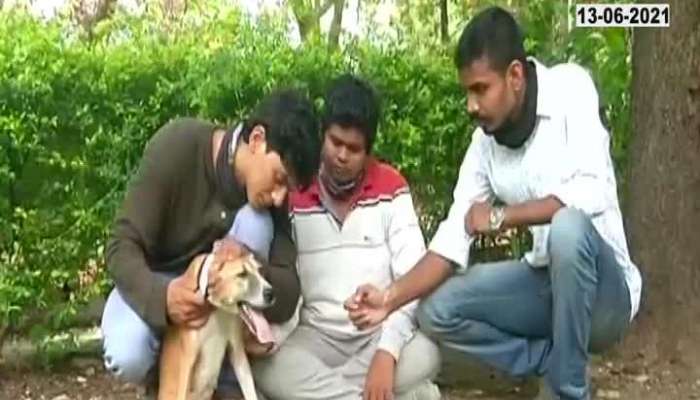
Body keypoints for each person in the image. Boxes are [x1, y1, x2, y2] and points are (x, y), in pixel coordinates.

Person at [344, 7, 642, 400]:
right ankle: (550, 362)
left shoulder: (571, 89)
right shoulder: (485, 144)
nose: (470, 105)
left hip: (605, 297)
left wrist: (503, 216)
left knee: (568, 229)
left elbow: (592, 194)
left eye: (480, 89)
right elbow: (454, 235)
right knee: (436, 309)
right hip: (544, 284)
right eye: (467, 91)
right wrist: (390, 297)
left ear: (515, 76)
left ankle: (568, 391)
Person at [100, 89, 321, 397]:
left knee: (256, 220)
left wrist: (252, 269)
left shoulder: (270, 200)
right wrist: (164, 298)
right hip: (157, 278)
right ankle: (167, 384)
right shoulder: (177, 146)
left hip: (223, 305)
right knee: (128, 350)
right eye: (280, 178)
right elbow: (121, 246)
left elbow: (287, 286)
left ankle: (223, 383)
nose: (280, 197)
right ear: (257, 139)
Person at [251, 75, 441, 400]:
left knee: (428, 354)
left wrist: (388, 353)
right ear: (322, 135)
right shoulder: (294, 190)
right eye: (335, 142)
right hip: (313, 339)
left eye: (353, 149)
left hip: (376, 339)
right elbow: (283, 288)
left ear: (369, 150)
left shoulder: (391, 188)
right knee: (265, 364)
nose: (341, 155)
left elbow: (412, 280)